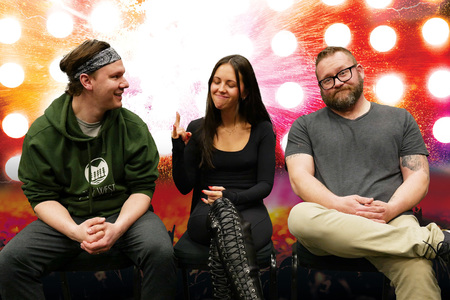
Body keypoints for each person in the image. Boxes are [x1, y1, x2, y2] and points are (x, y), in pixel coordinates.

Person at [0, 39, 176, 299]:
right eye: (115, 76)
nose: (125, 83)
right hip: (68, 219)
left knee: (160, 252)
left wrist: (117, 228)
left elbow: (141, 188)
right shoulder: (43, 134)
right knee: (10, 262)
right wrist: (74, 230)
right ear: (87, 81)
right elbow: (42, 197)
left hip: (124, 216)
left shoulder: (132, 127)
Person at [285, 46, 450, 300]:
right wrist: (340, 206)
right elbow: (299, 178)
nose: (337, 83)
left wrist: (391, 210)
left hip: (393, 219)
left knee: (418, 272)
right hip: (333, 222)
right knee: (299, 216)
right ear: (320, 86)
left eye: (343, 73)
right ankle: (428, 240)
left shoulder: (400, 119)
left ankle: (419, 241)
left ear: (359, 71)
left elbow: (419, 177)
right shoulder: (304, 126)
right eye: (327, 80)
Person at [172, 54, 276, 299]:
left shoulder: (262, 129)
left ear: (245, 91)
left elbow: (265, 185)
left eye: (230, 84)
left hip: (249, 209)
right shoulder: (198, 128)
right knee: (227, 222)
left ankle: (223, 294)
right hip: (205, 213)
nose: (220, 89)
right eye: (216, 81)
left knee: (228, 228)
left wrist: (229, 197)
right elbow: (184, 186)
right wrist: (178, 146)